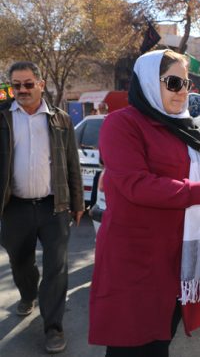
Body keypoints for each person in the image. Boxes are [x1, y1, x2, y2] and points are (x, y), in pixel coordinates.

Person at [88, 49, 200, 357]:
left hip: (176, 263)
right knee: (132, 349)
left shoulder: (183, 128)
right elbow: (136, 185)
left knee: (160, 343)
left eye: (186, 83)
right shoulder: (121, 124)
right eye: (173, 83)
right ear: (150, 84)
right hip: (135, 266)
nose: (183, 92)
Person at [0, 61, 84, 353]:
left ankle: (53, 327)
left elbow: (72, 163)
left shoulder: (61, 119)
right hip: (14, 207)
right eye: (16, 85)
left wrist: (77, 202)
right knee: (20, 261)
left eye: (27, 84)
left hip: (54, 206)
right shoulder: (3, 118)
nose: (21, 90)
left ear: (40, 83)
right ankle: (27, 293)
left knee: (56, 268)